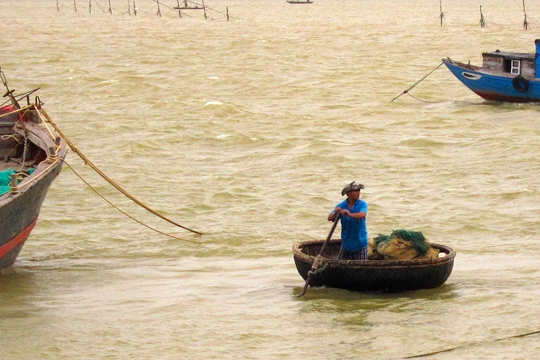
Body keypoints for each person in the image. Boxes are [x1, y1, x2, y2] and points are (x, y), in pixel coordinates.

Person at [328, 181, 368, 260]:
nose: (358, 193)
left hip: (360, 242)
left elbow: (362, 215)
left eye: (358, 191)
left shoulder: (362, 204)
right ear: (348, 193)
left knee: (361, 267)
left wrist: (349, 214)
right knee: (341, 266)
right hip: (346, 243)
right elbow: (330, 218)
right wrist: (336, 212)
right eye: (355, 191)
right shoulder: (342, 205)